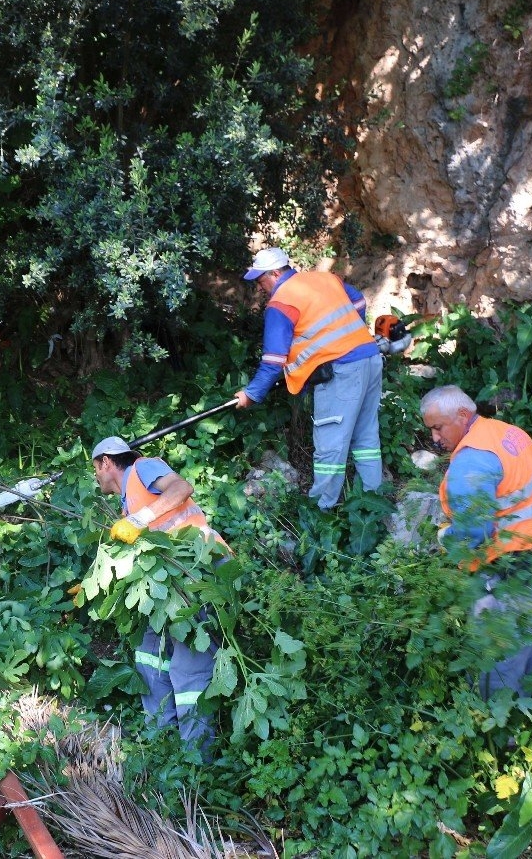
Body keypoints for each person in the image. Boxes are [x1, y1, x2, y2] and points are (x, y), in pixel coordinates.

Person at [420, 385, 532, 699]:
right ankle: (523, 722)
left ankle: (492, 728)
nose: (434, 438)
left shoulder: (471, 461)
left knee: (494, 673)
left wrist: (443, 537)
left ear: (462, 415)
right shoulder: (506, 433)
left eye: (438, 428)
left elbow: (473, 533)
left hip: (518, 577)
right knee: (526, 662)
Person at [91, 435, 224, 755]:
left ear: (106, 462)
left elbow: (182, 488)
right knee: (150, 654)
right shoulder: (127, 501)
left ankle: (196, 758)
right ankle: (160, 742)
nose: (96, 476)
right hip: (172, 584)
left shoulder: (143, 469)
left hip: (199, 570)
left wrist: (139, 520)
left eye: (95, 468)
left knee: (190, 666)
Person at [235, 247, 383, 508]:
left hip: (341, 371)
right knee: (366, 435)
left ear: (275, 273)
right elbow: (358, 300)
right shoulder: (324, 278)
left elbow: (273, 361)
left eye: (260, 280)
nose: (259, 287)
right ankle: (372, 505)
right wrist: (351, 337)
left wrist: (251, 394)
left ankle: (321, 511)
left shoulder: (281, 302)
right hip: (370, 358)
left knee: (330, 442)